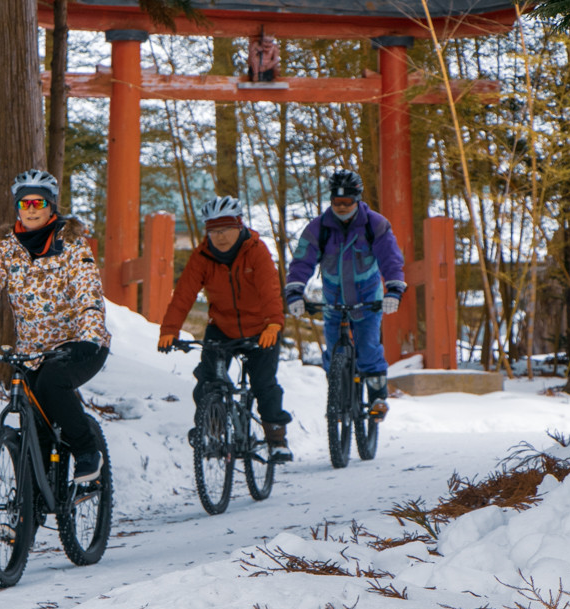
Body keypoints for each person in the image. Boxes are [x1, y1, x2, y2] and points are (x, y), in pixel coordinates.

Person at [0, 169, 111, 484]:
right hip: (30, 353)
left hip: (79, 346)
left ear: (51, 206)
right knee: (37, 424)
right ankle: (31, 509)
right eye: (25, 202)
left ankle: (87, 451)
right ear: (18, 207)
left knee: (51, 384)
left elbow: (89, 295)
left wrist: (88, 337)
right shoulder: (7, 249)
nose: (31, 208)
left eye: (38, 202)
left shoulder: (72, 246)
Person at [157, 195, 292, 460]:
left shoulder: (256, 250)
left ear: (239, 225)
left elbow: (270, 291)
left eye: (226, 229)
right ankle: (211, 429)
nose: (220, 237)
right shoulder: (202, 256)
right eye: (213, 231)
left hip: (261, 329)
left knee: (264, 384)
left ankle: (276, 439)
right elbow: (184, 295)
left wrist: (274, 324)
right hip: (222, 328)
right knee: (208, 381)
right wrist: (169, 330)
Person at [285, 169, 406, 419]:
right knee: (332, 353)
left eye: (347, 202)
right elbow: (302, 261)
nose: (341, 207)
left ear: (357, 199)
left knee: (369, 348)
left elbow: (390, 259)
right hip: (333, 299)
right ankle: (337, 399)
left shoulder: (375, 224)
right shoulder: (318, 228)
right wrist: (295, 292)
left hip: (368, 298)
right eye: (336, 202)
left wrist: (394, 289)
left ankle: (377, 399)